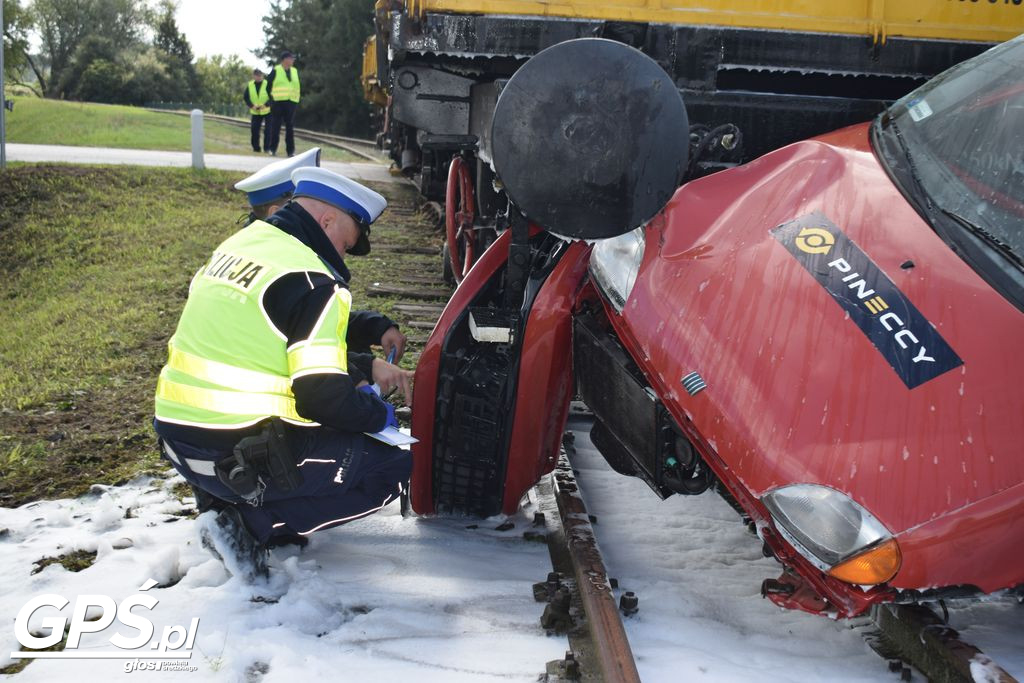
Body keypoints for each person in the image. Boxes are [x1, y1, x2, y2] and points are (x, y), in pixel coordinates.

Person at [154, 168, 414, 580]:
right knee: (395, 464)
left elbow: (268, 329)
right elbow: (321, 397)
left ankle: (222, 507)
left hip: (179, 443)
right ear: (327, 221)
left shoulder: (242, 245)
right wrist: (376, 416)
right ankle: (245, 528)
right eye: (347, 243)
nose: (343, 257)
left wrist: (367, 335)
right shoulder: (316, 280)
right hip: (237, 449)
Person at [234, 149, 408, 358]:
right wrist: (363, 368)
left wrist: (372, 326)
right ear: (276, 212)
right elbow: (303, 345)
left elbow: (305, 319)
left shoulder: (248, 246)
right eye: (296, 204)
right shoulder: (284, 263)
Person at [266, 50, 300, 157]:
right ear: (285, 60)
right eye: (291, 58)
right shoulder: (276, 70)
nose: (292, 60)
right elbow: (268, 86)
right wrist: (271, 99)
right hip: (278, 102)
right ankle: (272, 149)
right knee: (276, 126)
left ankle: (290, 151)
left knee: (290, 127)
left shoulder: (294, 71)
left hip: (291, 102)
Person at [243, 69, 271, 153]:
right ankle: (256, 148)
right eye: (257, 75)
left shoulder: (267, 84)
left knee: (268, 131)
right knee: (254, 130)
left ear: (262, 75)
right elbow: (246, 97)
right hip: (255, 111)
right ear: (254, 76)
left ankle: (267, 148)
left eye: (260, 75)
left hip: (267, 111)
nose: (259, 77)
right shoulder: (250, 85)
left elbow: (272, 96)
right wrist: (252, 106)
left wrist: (266, 105)